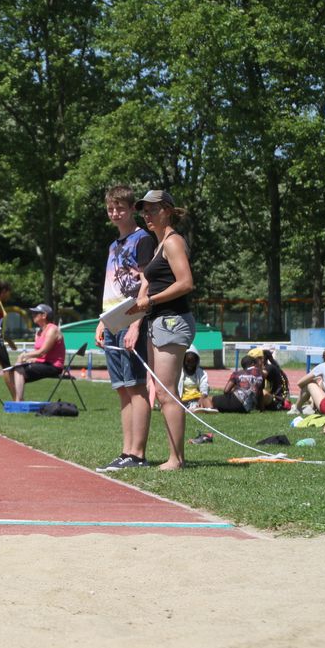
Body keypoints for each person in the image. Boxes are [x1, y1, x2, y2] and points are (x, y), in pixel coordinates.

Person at [126, 189, 195, 470]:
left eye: (152, 210)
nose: (147, 215)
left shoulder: (173, 242)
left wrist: (149, 300)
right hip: (159, 321)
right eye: (144, 211)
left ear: (167, 210)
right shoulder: (159, 244)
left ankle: (176, 459)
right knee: (163, 391)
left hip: (171, 321)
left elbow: (186, 283)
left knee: (167, 393)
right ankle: (174, 456)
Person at [94, 186, 157, 472]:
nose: (115, 213)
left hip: (131, 318)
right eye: (111, 209)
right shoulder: (113, 245)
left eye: (120, 208)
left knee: (136, 386)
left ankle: (138, 454)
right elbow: (111, 287)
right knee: (122, 388)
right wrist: (102, 322)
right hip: (112, 320)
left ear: (132, 209)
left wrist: (136, 323)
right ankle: (126, 451)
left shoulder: (142, 239)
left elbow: (147, 283)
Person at [9, 304, 64, 400]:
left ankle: (18, 403)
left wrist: (24, 356)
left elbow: (42, 352)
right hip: (43, 364)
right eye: (33, 313)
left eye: (36, 313)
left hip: (54, 366)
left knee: (19, 370)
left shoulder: (52, 329)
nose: (32, 315)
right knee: (12, 371)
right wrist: (30, 359)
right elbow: (38, 354)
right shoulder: (38, 332)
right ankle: (18, 401)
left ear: (44, 315)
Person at [177, 347, 212, 411]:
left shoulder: (201, 373)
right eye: (188, 361)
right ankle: (192, 408)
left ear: (196, 362)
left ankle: (200, 408)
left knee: (209, 403)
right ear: (183, 361)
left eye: (193, 362)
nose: (190, 364)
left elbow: (204, 386)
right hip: (183, 399)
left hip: (197, 398)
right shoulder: (179, 372)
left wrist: (203, 397)